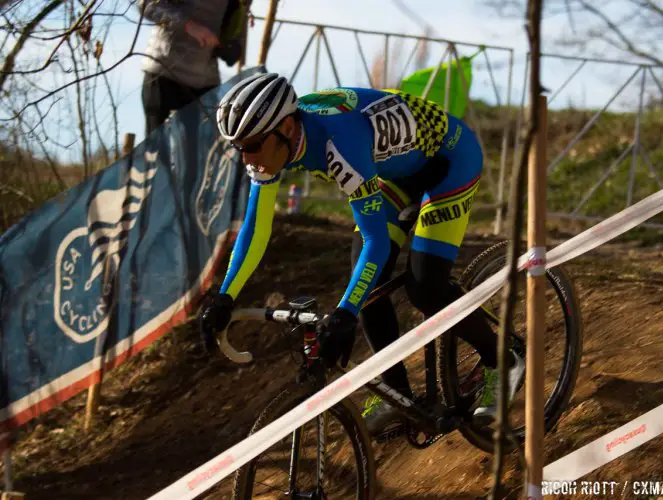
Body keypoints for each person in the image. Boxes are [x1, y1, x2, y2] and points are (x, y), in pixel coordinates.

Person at [199, 72, 525, 434]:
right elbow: (255, 228)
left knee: (425, 286)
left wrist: (345, 314)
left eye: (253, 144)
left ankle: (503, 359)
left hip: (449, 162)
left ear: (287, 128)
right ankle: (398, 393)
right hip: (394, 172)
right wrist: (225, 295)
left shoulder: (339, 143)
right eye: (238, 146)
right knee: (366, 278)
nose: (246, 156)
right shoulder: (273, 144)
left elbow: (376, 243)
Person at [138, 0, 249, 136]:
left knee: (200, 154)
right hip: (164, 73)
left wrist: (229, 47)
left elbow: (234, 45)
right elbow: (147, 5)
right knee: (156, 152)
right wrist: (187, 24)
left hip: (204, 84)